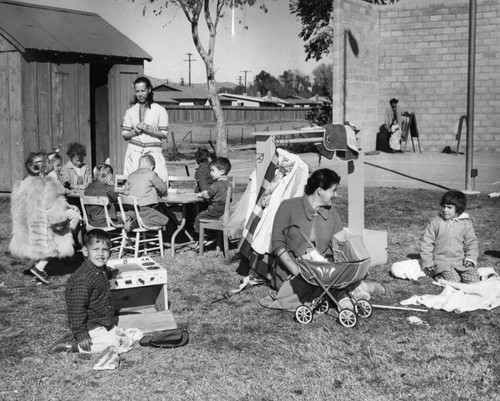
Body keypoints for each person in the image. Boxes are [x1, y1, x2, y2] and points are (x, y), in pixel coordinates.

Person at [268, 168, 354, 308]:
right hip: (292, 271)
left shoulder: (332, 213)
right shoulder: (288, 207)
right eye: (333, 190)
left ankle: (339, 294)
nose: (336, 195)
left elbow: (339, 246)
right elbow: (278, 245)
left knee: (337, 280)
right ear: (320, 191)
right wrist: (297, 271)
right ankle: (341, 296)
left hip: (321, 270)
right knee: (314, 287)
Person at [65, 229, 142, 368]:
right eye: (95, 249)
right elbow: (76, 308)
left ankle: (103, 336)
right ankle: (72, 345)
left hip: (102, 322)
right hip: (90, 326)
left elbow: (103, 272)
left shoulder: (99, 270)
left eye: (105, 250)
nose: (100, 254)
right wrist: (81, 333)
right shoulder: (84, 278)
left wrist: (110, 272)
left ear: (110, 253)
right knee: (112, 343)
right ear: (85, 251)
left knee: (121, 334)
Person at [10, 151, 76, 284]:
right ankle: (39, 268)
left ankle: (36, 265)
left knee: (37, 246)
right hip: (45, 223)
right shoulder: (49, 183)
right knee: (55, 246)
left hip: (32, 221)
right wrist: (61, 221)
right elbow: (53, 206)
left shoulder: (27, 181)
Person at [420, 190, 479, 283]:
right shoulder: (436, 222)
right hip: (442, 263)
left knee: (474, 280)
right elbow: (427, 243)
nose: (445, 210)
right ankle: (439, 276)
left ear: (459, 209)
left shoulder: (465, 223)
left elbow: (471, 242)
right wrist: (428, 262)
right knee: (454, 281)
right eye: (443, 206)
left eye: (449, 207)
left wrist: (470, 258)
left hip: (460, 261)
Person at [122, 76, 169, 182]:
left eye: (143, 90)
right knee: (133, 184)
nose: (140, 94)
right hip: (134, 152)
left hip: (153, 152)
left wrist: (150, 130)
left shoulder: (160, 110)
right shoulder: (130, 111)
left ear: (149, 90)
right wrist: (135, 132)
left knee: (157, 182)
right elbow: (125, 135)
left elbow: (164, 134)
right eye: (137, 91)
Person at [123, 154, 169, 230]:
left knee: (159, 211)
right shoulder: (151, 174)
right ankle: (138, 222)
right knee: (164, 219)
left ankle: (136, 221)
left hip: (133, 209)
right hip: (145, 209)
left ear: (139, 165)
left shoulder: (131, 175)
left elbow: (125, 192)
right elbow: (163, 189)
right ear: (152, 167)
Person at [194, 157, 232, 233]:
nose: (210, 173)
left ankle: (200, 237)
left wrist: (201, 194)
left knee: (199, 217)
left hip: (216, 211)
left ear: (222, 171)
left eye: (212, 170)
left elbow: (207, 195)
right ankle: (211, 235)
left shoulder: (216, 184)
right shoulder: (229, 184)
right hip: (226, 212)